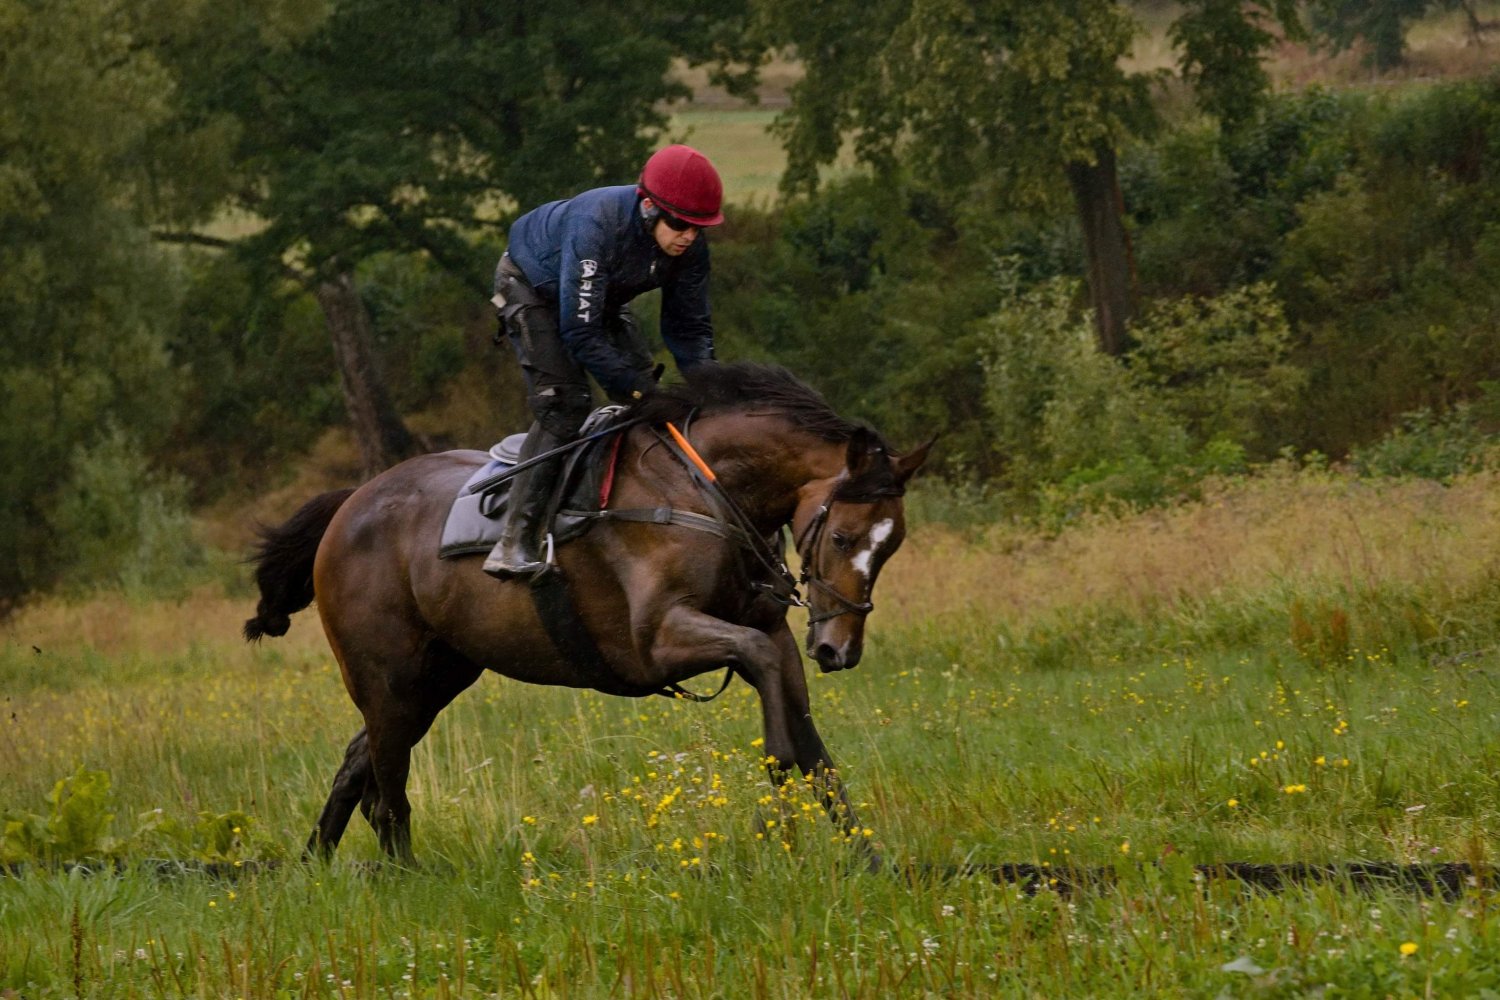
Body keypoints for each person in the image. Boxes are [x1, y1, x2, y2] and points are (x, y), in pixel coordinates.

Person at [484, 144, 725, 580]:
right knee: (566, 403)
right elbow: (579, 332)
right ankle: (514, 541)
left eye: (699, 227)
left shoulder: (689, 248)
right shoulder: (597, 224)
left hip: (597, 297)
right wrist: (637, 389)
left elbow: (689, 329)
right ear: (648, 208)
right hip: (529, 287)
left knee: (649, 396)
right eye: (679, 224)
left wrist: (710, 394)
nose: (689, 236)